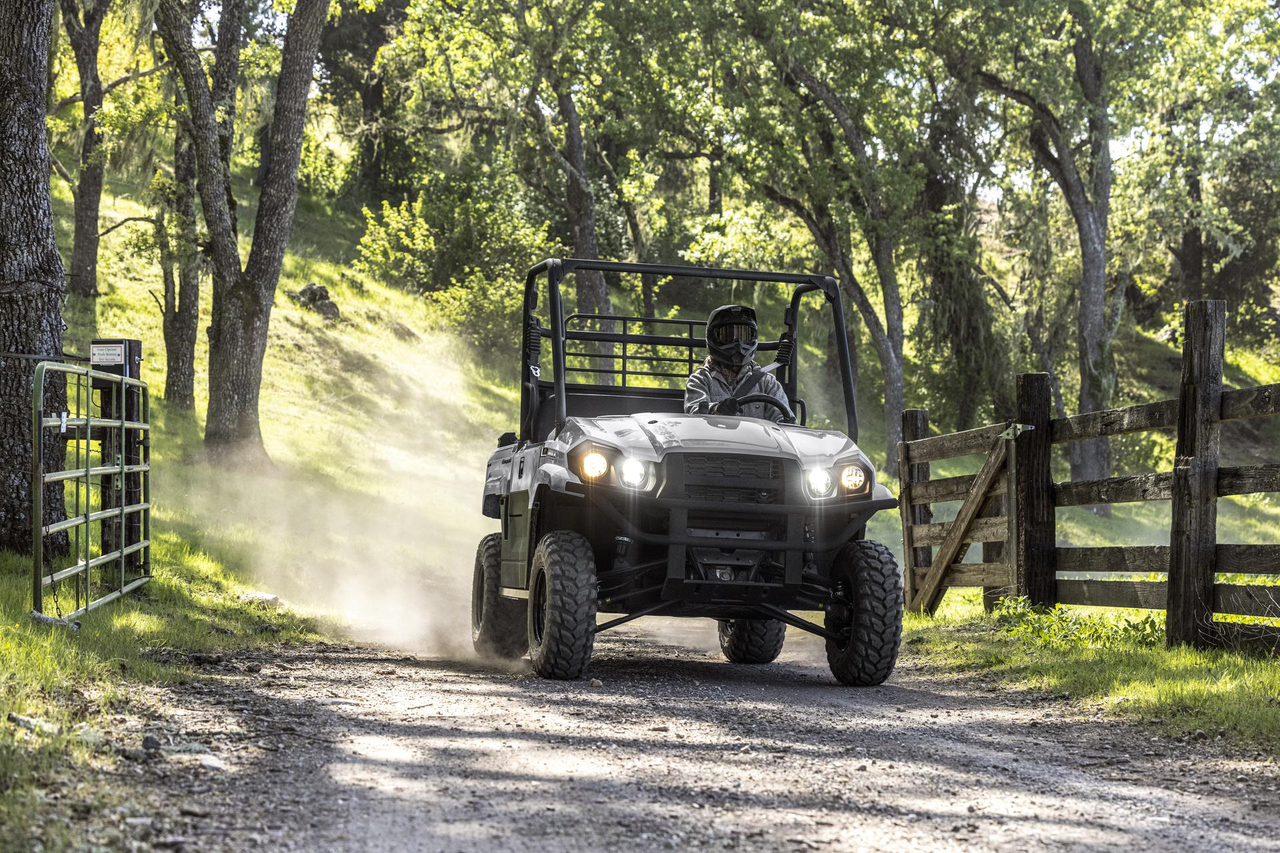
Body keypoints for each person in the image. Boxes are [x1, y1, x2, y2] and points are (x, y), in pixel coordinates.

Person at [684, 304, 791, 423]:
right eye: (728, 336)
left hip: (755, 436)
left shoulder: (767, 383)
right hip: (714, 435)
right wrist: (716, 409)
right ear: (713, 338)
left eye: (743, 336)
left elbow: (785, 422)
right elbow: (694, 414)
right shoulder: (701, 380)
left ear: (752, 338)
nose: (738, 344)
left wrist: (785, 422)